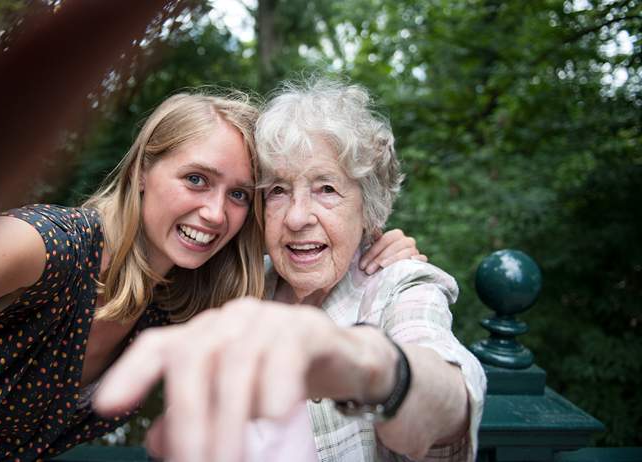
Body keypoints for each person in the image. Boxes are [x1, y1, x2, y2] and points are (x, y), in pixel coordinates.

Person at [0, 89, 420, 461]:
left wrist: (377, 239)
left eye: (239, 194)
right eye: (196, 179)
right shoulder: (47, 246)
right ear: (144, 170)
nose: (216, 212)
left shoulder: (178, 303)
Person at [93, 79, 487, 462]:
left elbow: (452, 402)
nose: (297, 218)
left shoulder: (399, 286)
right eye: (278, 190)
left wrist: (370, 365)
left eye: (326, 189)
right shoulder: (238, 282)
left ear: (370, 209)